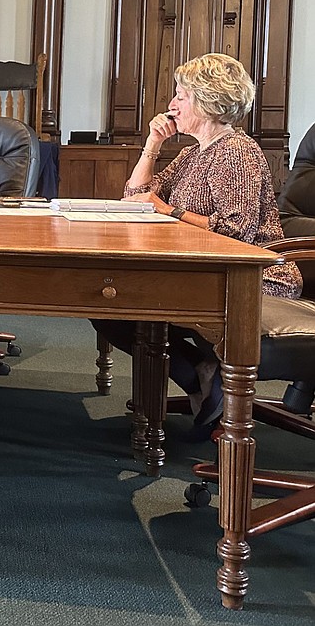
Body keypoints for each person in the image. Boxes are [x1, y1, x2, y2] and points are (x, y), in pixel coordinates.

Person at [92, 53, 302, 436]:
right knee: (103, 301)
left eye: (181, 96)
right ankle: (200, 373)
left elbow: (237, 233)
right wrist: (152, 144)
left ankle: (205, 375)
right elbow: (135, 197)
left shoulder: (236, 152)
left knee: (122, 300)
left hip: (253, 276)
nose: (171, 104)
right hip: (204, 268)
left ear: (208, 102)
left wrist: (169, 211)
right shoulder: (192, 153)